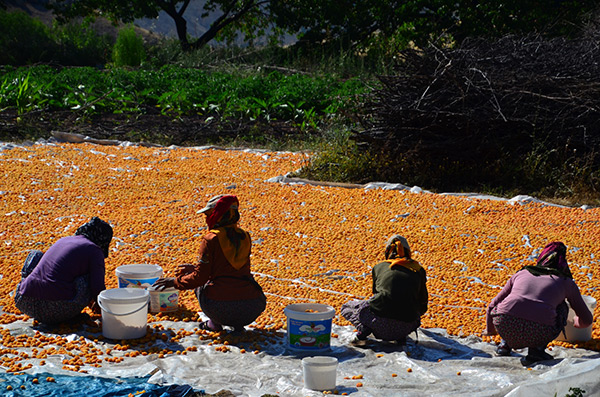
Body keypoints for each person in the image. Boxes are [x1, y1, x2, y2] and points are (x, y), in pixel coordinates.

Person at [153, 194, 266, 332]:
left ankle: (215, 323)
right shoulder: (244, 236)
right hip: (252, 307)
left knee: (201, 286)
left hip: (220, 308)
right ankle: (238, 326)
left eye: (208, 215)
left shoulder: (211, 239)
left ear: (217, 215)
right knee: (230, 286)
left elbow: (200, 278)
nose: (206, 219)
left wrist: (175, 282)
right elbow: (230, 269)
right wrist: (195, 268)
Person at [484, 241, 593, 363]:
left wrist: (491, 331)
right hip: (539, 332)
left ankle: (505, 344)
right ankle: (536, 350)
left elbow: (492, 305)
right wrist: (576, 322)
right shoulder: (566, 283)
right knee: (561, 306)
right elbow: (587, 320)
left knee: (509, 305)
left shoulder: (521, 273)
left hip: (505, 326)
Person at [14, 216, 113, 325]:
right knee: (87, 277)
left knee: (36, 255)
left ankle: (43, 309)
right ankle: (64, 316)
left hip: (24, 301)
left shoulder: (64, 240)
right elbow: (97, 287)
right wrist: (105, 310)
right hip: (57, 309)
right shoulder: (94, 250)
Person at [341, 235, 428, 345]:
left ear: (388, 251)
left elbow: (376, 295)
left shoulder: (379, 267)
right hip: (406, 326)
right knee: (405, 308)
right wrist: (412, 316)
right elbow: (423, 302)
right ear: (408, 252)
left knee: (347, 307)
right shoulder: (418, 270)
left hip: (379, 324)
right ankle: (400, 337)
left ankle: (363, 332)